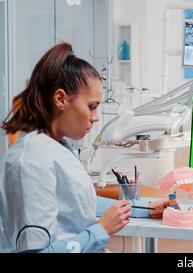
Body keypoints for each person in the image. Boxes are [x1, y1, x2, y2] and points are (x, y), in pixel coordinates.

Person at [0, 43, 170, 253]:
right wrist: (101, 230)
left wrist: (144, 209)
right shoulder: (30, 161)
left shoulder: (57, 147)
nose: (96, 117)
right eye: (91, 106)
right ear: (60, 99)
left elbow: (82, 204)